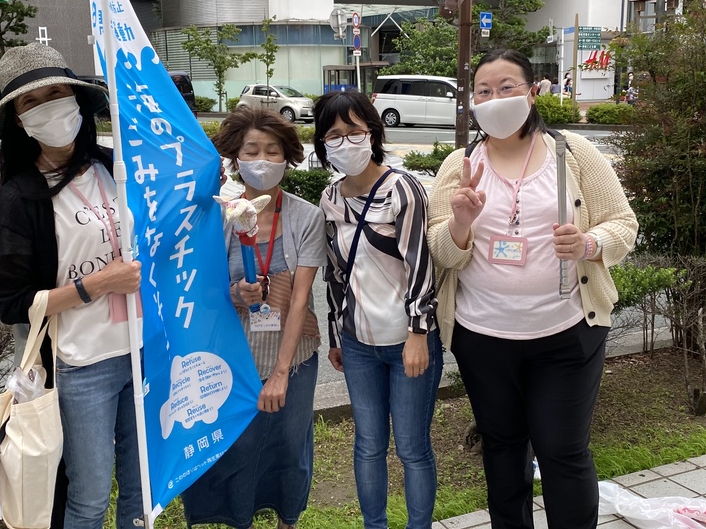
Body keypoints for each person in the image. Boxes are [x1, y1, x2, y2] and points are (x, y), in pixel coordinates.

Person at [426, 49, 638, 529]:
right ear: (472, 102)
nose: (496, 98)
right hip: (483, 336)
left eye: (507, 87)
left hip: (566, 331)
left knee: (563, 450)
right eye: (484, 91)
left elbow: (623, 224)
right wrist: (461, 223)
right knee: (502, 449)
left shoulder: (574, 153)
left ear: (532, 91)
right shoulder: (459, 166)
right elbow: (442, 251)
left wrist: (589, 243)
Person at [0, 43, 144, 529]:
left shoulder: (115, 168)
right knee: (89, 497)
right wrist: (98, 283)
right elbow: (11, 303)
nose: (50, 106)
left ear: (77, 100)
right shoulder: (18, 198)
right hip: (80, 365)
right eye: (33, 101)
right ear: (18, 121)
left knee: (141, 491)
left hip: (141, 352)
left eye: (57, 93)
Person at [180, 107, 324, 529]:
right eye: (252, 150)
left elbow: (300, 300)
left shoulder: (305, 217)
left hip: (292, 355)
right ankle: (236, 518)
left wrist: (281, 372)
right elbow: (200, 291)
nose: (262, 160)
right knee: (236, 447)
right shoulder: (216, 215)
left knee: (289, 443)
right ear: (235, 157)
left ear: (288, 157)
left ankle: (288, 520)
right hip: (230, 357)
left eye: (273, 150)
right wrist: (235, 293)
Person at [314, 91, 442, 529]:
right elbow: (335, 274)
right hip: (358, 345)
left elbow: (420, 264)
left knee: (411, 447)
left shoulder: (401, 188)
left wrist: (419, 333)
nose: (345, 141)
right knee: (368, 444)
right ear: (322, 144)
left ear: (373, 132)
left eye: (354, 131)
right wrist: (337, 337)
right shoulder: (330, 197)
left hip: (408, 341)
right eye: (334, 135)